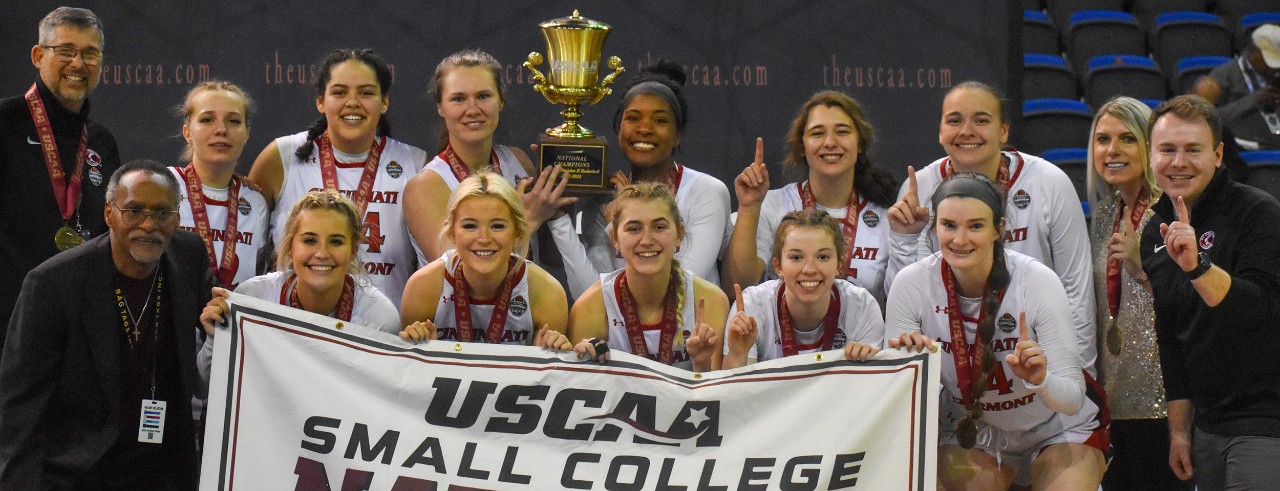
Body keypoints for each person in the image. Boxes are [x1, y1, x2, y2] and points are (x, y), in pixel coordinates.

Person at [886, 172, 1106, 490]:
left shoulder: (1038, 281)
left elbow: (1072, 400)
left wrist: (1041, 379)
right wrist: (911, 370)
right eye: (949, 225)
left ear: (998, 229)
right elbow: (899, 411)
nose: (960, 240)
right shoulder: (911, 285)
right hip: (974, 434)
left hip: (1055, 428)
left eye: (975, 226)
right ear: (934, 226)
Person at [0, 160, 209, 488]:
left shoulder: (190, 255)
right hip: (79, 472)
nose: (148, 224)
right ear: (109, 213)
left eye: (162, 212)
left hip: (165, 471)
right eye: (134, 210)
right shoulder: (53, 284)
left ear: (177, 219)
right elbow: (18, 407)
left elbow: (224, 327)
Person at [886, 80, 1097, 376]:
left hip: (1034, 364)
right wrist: (904, 239)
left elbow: (1075, 288)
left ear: (1004, 131)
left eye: (981, 120)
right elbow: (907, 297)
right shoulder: (918, 189)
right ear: (940, 131)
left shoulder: (1049, 181)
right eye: (954, 120)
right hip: (951, 367)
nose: (967, 131)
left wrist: (1078, 374)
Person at [1139, 95, 1280, 490]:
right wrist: (1180, 432)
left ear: (1218, 154)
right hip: (1207, 425)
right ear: (1150, 156)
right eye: (1167, 149)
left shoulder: (1257, 212)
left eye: (1193, 150)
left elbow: (1260, 312)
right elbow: (1172, 338)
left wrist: (1197, 267)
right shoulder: (1155, 231)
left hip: (1265, 419)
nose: (1179, 162)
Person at [248, 48, 425, 309]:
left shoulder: (415, 162)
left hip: (382, 330)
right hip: (292, 326)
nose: (352, 102)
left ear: (384, 102)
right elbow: (251, 244)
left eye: (366, 92)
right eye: (340, 92)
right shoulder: (282, 157)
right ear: (321, 101)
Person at [543, 61, 731, 298]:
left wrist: (620, 222)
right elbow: (589, 295)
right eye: (633, 118)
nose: (644, 128)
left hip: (690, 332)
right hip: (621, 335)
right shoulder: (605, 201)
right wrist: (559, 218)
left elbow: (682, 286)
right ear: (618, 128)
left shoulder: (706, 191)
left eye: (660, 120)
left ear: (677, 136)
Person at [0, 7, 120, 350]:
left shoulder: (101, 142)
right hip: (9, 324)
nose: (78, 64)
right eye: (66, 51)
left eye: (90, 53)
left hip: (76, 327)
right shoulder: (5, 124)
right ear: (38, 55)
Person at [1084, 97, 1188, 490]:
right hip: (1115, 397)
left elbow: (1194, 301)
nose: (1112, 150)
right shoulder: (1105, 214)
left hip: (1167, 398)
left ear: (1150, 146)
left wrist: (1141, 269)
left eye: (1128, 138)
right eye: (1102, 139)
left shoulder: (1172, 213)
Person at [199, 190, 401, 377]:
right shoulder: (252, 297)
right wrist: (215, 340)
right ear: (290, 247)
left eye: (336, 241)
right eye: (310, 241)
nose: (322, 254)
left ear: (353, 251)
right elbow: (203, 386)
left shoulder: (378, 317)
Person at [723, 90, 899, 305]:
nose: (830, 142)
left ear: (860, 143)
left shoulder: (886, 217)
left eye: (842, 132)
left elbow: (903, 300)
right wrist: (749, 207)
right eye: (817, 133)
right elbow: (737, 286)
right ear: (802, 148)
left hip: (863, 335)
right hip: (783, 338)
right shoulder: (771, 205)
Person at [404, 49, 560, 265]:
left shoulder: (519, 161)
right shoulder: (425, 186)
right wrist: (528, 220)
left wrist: (558, 204)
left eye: (483, 96)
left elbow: (554, 259)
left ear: (501, 101)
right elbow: (457, 270)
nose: (473, 109)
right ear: (440, 107)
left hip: (526, 298)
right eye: (458, 99)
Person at [568, 182, 729, 372]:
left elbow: (716, 396)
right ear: (615, 240)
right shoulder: (591, 306)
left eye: (659, 227)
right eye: (634, 229)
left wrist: (701, 364)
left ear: (679, 235)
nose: (646, 240)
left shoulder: (710, 300)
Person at [399, 174, 570, 348]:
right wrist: (421, 350)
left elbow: (549, 373)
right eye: (470, 226)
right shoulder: (424, 287)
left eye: (497, 226)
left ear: (517, 232)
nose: (484, 238)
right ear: (451, 233)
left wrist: (550, 352)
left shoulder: (547, 293)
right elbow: (410, 370)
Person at [722, 209, 883, 369]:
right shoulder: (753, 306)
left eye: (823, 257)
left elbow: (874, 390)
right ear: (778, 266)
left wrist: (865, 368)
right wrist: (738, 355)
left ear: (839, 265)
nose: (809, 269)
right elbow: (735, 392)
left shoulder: (862, 307)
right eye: (796, 257)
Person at [170, 81, 269, 289]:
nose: (221, 129)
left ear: (247, 133)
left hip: (235, 319)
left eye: (233, 121)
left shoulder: (254, 202)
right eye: (207, 119)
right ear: (187, 132)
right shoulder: (165, 186)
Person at [1194, 24, 1280, 151]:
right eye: (1271, 61)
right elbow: (1207, 121)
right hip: (1242, 148)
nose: (1275, 68)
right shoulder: (1222, 78)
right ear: (1254, 52)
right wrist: (1253, 101)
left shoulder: (1275, 75)